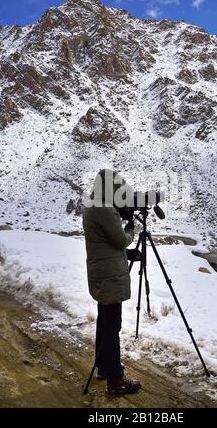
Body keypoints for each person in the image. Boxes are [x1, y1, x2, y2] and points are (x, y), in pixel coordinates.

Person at [83, 169, 142, 395]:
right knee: (112, 326)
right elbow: (119, 240)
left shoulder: (92, 204)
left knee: (105, 321)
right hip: (110, 276)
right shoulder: (105, 209)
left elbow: (104, 243)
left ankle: (105, 367)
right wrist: (132, 228)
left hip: (101, 271)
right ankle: (116, 380)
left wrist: (126, 254)